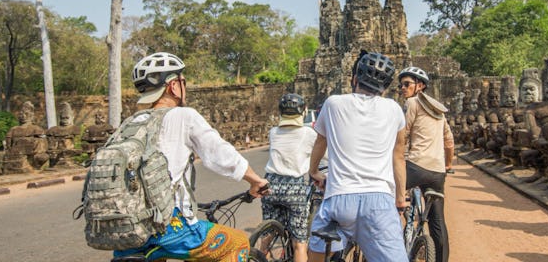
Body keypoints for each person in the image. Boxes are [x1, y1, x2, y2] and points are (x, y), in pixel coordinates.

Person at [113, 52, 270, 262]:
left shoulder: (129, 124)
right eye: (182, 81)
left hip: (128, 230)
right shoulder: (183, 115)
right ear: (173, 86)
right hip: (171, 228)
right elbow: (221, 154)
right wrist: (255, 180)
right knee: (239, 242)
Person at [307, 51, 409, 262]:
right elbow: (398, 156)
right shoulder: (394, 109)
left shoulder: (333, 103)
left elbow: (320, 142)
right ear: (386, 87)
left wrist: (313, 171)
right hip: (379, 201)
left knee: (317, 255)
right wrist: (400, 197)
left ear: (355, 79)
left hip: (339, 200)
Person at [397, 66, 453, 262]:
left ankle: (390, 248)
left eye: (406, 84)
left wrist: (397, 159)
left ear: (419, 86)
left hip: (415, 166)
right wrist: (447, 166)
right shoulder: (439, 111)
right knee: (438, 222)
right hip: (437, 172)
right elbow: (449, 142)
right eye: (401, 85)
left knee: (387, 197)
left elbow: (402, 135)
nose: (402, 88)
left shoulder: (412, 103)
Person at [262, 93, 318, 262]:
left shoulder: (273, 132)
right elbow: (322, 154)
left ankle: (259, 254)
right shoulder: (308, 133)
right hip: (295, 189)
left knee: (268, 235)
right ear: (303, 112)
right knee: (299, 244)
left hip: (270, 186)